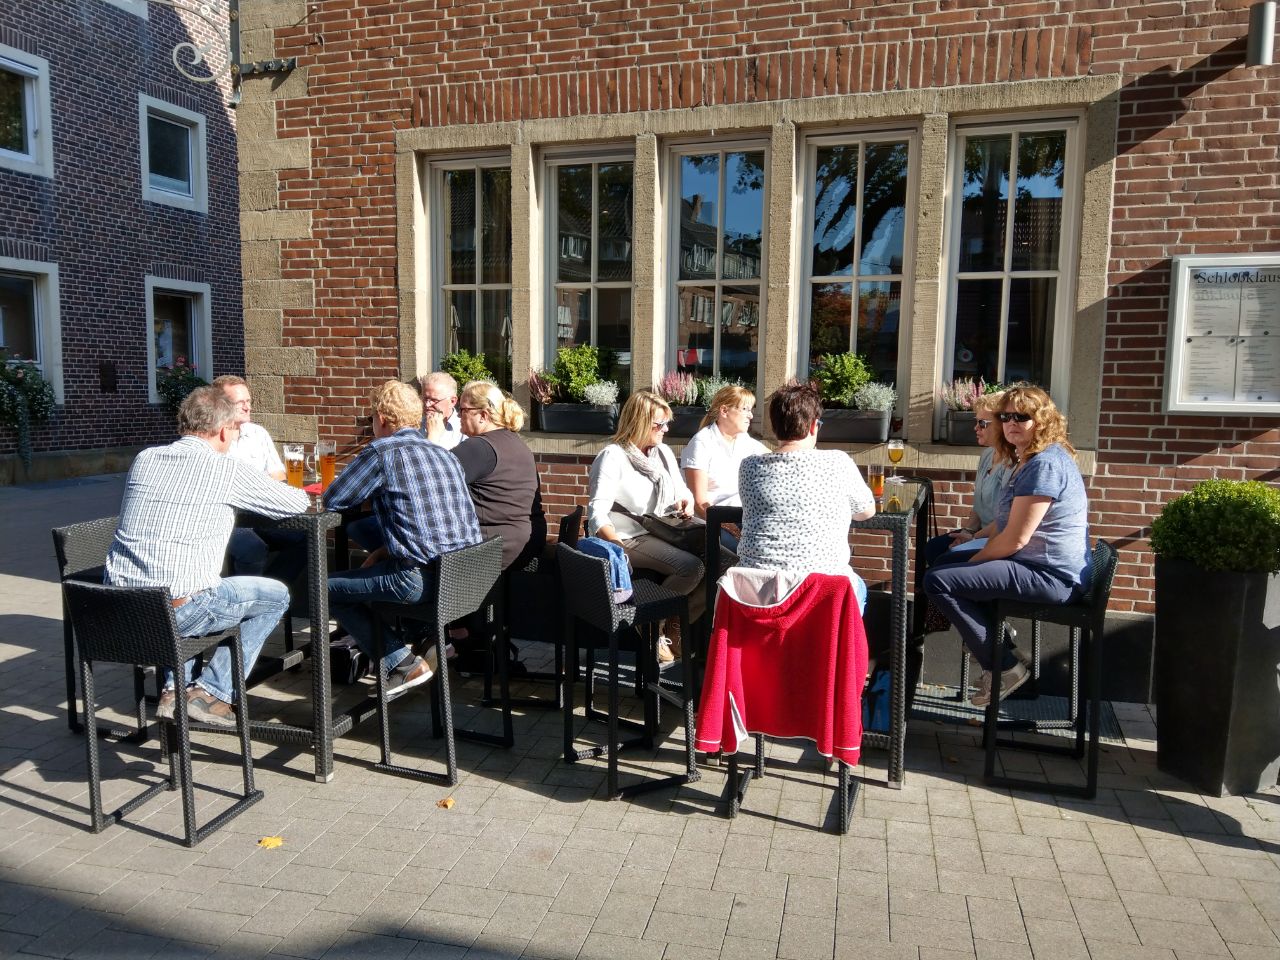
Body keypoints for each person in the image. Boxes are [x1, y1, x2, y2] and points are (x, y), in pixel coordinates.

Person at [105, 386, 310, 726]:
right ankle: (212, 692)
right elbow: (297, 503)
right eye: (235, 430)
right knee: (274, 596)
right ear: (224, 430)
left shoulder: (145, 458)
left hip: (118, 608)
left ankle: (174, 691)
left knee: (184, 581)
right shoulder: (227, 469)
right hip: (178, 611)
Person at [923, 385, 1091, 706]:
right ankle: (999, 649)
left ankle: (1005, 668)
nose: (1011, 423)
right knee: (944, 563)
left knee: (939, 581)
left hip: (1051, 576)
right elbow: (1004, 525)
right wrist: (970, 545)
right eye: (1005, 417)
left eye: (1021, 417)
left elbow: (1015, 539)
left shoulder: (1044, 464)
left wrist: (974, 562)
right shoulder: (1026, 458)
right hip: (1034, 564)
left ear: (1041, 420)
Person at [324, 380, 482, 691]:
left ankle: (401, 663)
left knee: (323, 589)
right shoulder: (445, 454)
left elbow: (334, 498)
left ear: (382, 419)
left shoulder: (382, 451)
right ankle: (422, 641)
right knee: (376, 568)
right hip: (463, 580)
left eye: (371, 418)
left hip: (419, 580)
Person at [736, 381, 877, 612]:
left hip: (758, 595)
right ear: (813, 426)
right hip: (823, 596)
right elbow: (866, 511)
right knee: (857, 585)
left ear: (774, 427)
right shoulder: (838, 462)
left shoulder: (749, 467)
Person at [587, 389, 704, 663]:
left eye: (667, 423)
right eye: (659, 424)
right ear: (638, 422)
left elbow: (682, 491)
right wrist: (616, 547)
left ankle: (676, 622)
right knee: (691, 567)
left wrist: (685, 502)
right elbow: (597, 512)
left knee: (723, 562)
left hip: (663, 530)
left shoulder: (662, 453)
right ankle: (651, 624)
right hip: (627, 536)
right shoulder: (612, 456)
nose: (666, 429)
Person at [433, 380, 546, 572]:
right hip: (526, 544)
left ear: (483, 415)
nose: (458, 415)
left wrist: (432, 438)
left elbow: (427, 482)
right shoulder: (516, 442)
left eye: (463, 410)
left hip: (493, 550)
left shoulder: (478, 448)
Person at [213, 374, 302, 578]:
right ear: (220, 405)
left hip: (261, 512)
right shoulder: (213, 438)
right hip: (229, 518)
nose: (247, 407)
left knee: (304, 537)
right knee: (252, 548)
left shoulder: (257, 433)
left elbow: (278, 475)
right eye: (240, 403)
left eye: (249, 401)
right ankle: (247, 596)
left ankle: (275, 589)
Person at [924, 391, 1016, 567]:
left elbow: (1006, 520)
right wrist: (967, 531)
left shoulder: (1013, 464)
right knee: (933, 548)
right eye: (976, 422)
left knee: (944, 561)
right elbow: (978, 508)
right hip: (979, 533)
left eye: (982, 423)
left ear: (1002, 425)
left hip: (997, 537)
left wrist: (973, 537)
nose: (976, 428)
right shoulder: (987, 455)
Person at [680, 384, 767, 549]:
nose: (750, 415)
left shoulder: (745, 441)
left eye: (751, 410)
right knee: (746, 549)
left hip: (744, 517)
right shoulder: (702, 443)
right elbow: (700, 503)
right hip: (712, 521)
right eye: (745, 409)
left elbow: (775, 458)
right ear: (724, 411)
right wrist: (727, 526)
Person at [421, 371, 465, 450]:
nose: (427, 405)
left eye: (434, 400)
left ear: (452, 401)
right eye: (425, 399)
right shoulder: (415, 425)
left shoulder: (464, 429)